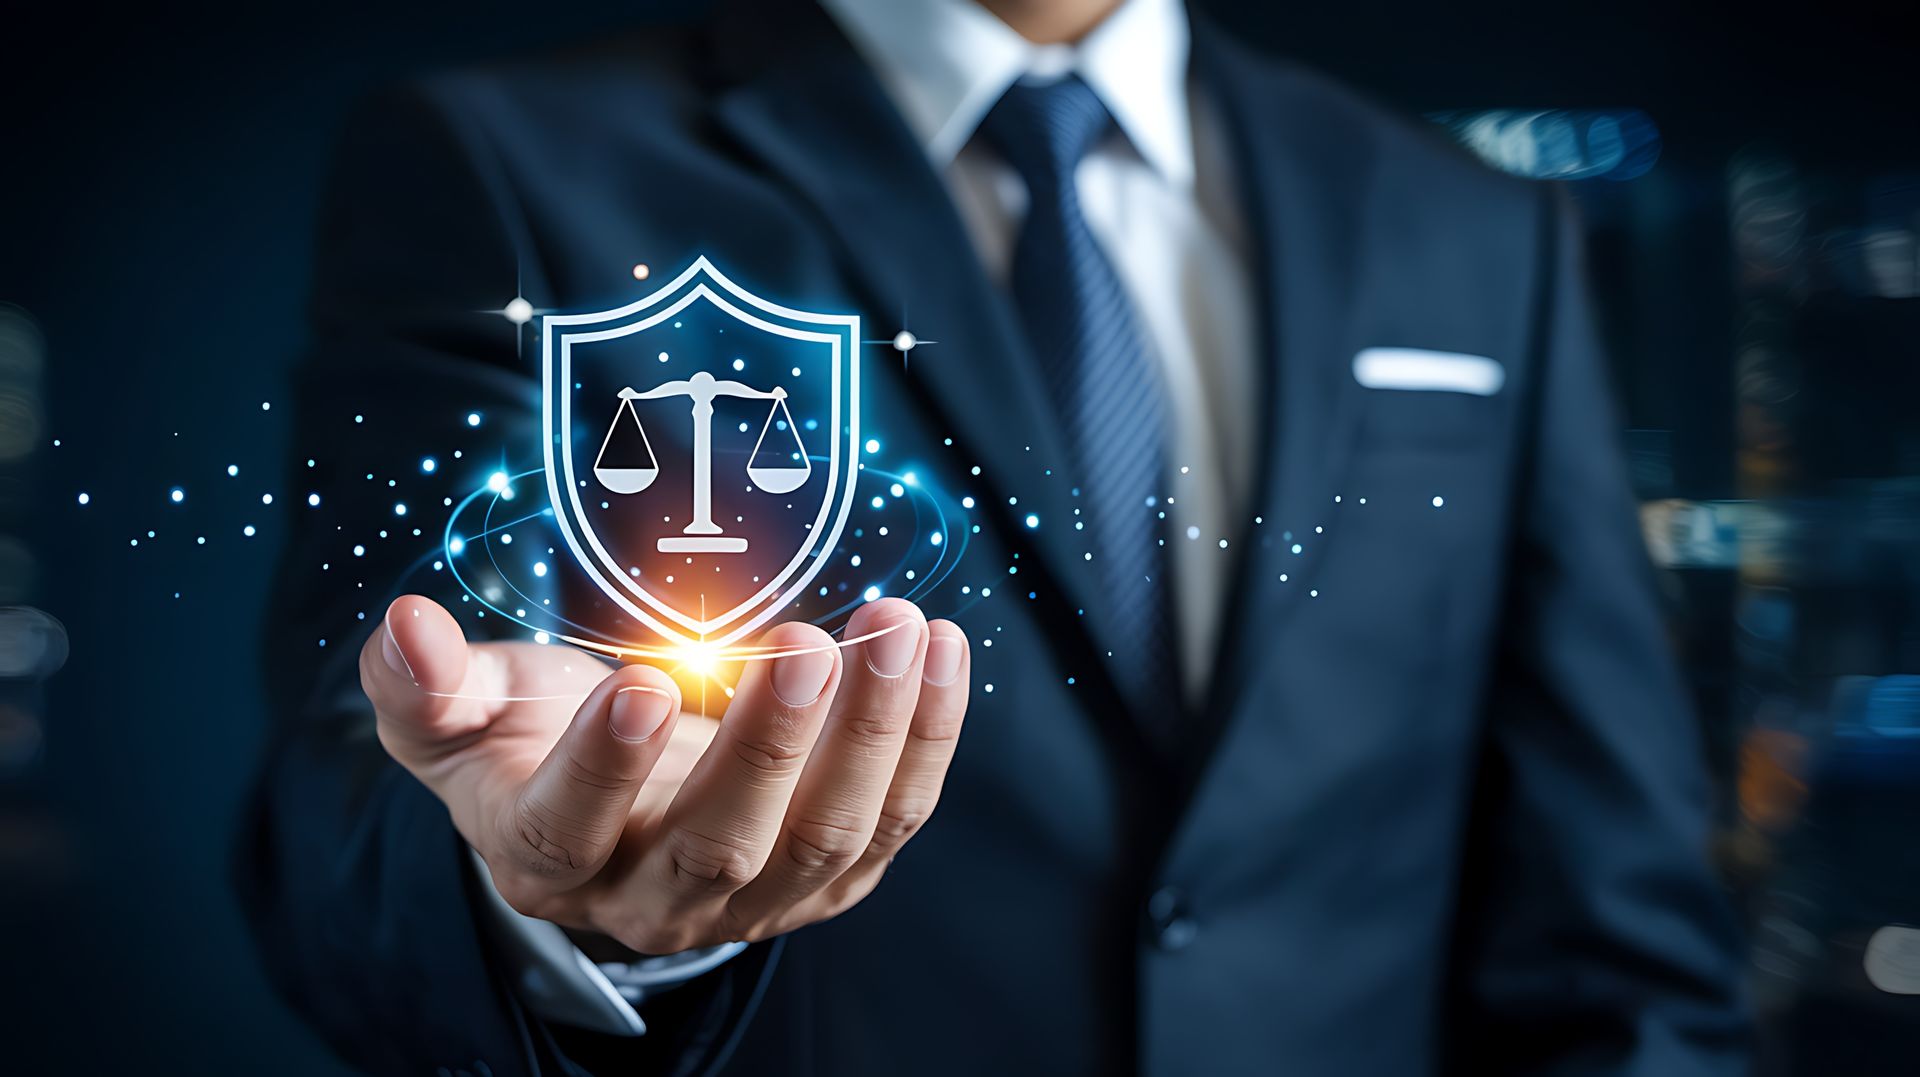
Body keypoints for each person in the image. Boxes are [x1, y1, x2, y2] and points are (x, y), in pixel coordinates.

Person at [240, 0, 1752, 1073]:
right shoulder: (516, 167)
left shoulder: (1467, 227)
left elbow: (1616, 915)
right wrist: (553, 900)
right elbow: (351, 793)